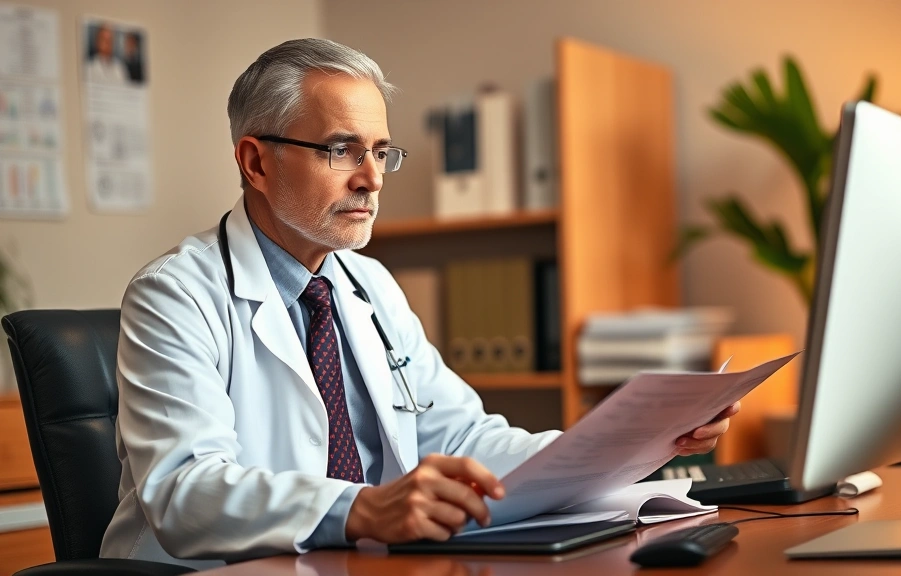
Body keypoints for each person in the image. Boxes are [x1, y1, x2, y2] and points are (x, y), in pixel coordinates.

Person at [99, 38, 739, 569]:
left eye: (380, 152)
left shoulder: (369, 285)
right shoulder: (175, 295)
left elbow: (461, 437)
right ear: (255, 163)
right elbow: (184, 491)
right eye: (341, 150)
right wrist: (359, 508)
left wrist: (628, 441)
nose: (372, 179)